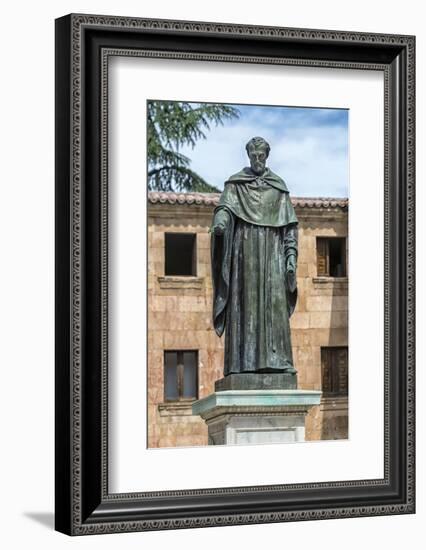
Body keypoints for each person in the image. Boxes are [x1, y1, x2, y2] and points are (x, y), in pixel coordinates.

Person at [211, 136, 298, 375]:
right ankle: (241, 364)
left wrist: (290, 258)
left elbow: (289, 229)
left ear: (267, 156)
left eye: (261, 156)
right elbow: (224, 209)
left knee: (274, 306)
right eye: (253, 156)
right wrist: (220, 222)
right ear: (248, 156)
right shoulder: (236, 185)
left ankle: (278, 361)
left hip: (273, 257)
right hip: (245, 254)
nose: (257, 160)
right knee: (245, 305)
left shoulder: (278, 187)